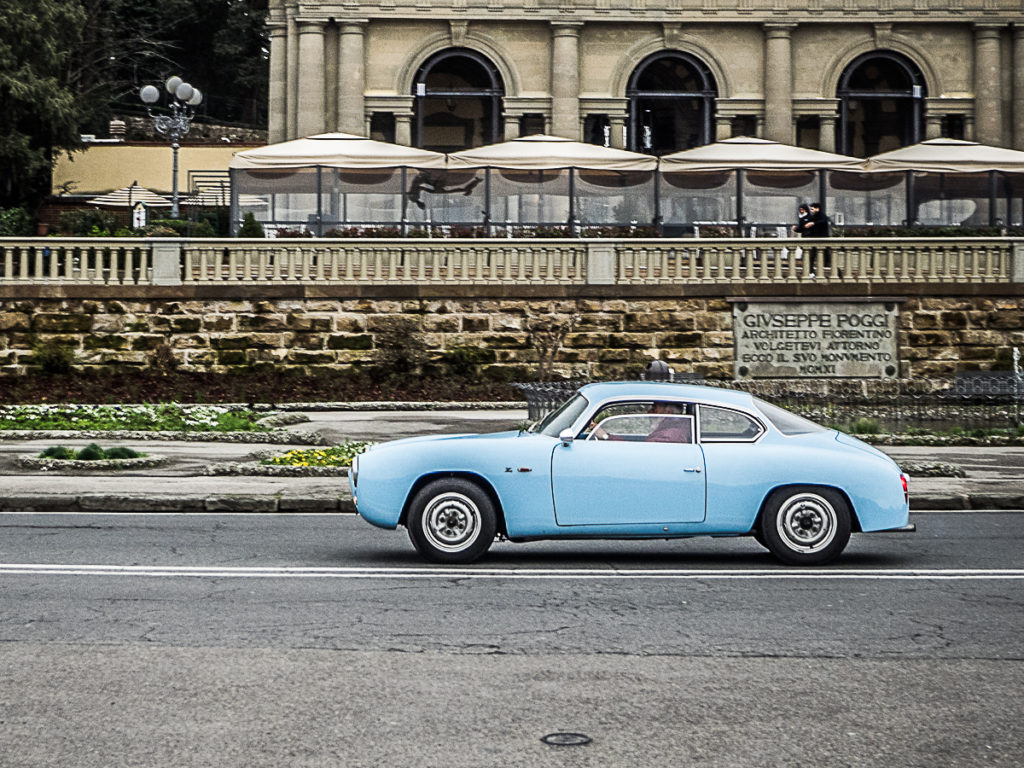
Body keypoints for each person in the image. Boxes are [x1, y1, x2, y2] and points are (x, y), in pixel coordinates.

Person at [592, 402, 692, 444]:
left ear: (668, 413)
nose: (649, 412)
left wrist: (605, 436)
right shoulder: (669, 431)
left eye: (654, 408)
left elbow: (636, 453)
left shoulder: (668, 436)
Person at [802, 201, 832, 273]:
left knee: (828, 258)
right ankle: (811, 272)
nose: (811, 211)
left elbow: (822, 221)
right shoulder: (814, 216)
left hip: (822, 240)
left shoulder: (822, 216)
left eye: (812, 209)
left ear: (817, 208)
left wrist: (813, 223)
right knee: (811, 257)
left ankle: (837, 272)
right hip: (815, 239)